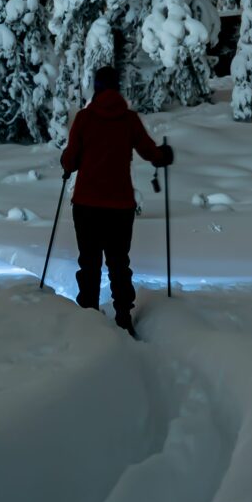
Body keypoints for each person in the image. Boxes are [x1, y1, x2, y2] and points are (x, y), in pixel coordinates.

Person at [58, 64, 172, 332]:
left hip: (86, 205)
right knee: (119, 262)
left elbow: (71, 161)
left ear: (96, 88)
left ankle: (89, 316)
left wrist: (66, 161)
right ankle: (123, 316)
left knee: (89, 262)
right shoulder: (128, 119)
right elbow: (150, 152)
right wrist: (164, 155)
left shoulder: (85, 119)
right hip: (120, 207)